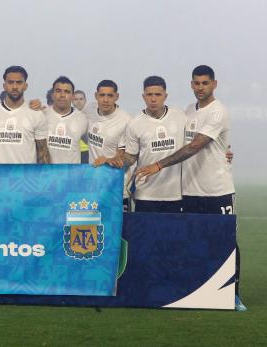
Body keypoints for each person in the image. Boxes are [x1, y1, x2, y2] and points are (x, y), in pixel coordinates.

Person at [135, 65, 245, 311]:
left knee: (226, 241)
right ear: (191, 84)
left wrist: (159, 165)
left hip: (217, 190)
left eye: (205, 83)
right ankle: (200, 290)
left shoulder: (218, 112)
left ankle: (234, 294)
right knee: (194, 243)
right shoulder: (187, 112)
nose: (200, 87)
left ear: (214, 84)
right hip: (188, 191)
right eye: (196, 83)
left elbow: (195, 146)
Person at [98, 76, 185, 213]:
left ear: (165, 96)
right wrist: (112, 160)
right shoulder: (135, 123)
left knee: (173, 235)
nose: (153, 99)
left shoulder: (180, 117)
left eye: (158, 94)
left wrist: (224, 152)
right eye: (149, 95)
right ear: (143, 97)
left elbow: (193, 145)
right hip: (145, 194)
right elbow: (131, 157)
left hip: (175, 195)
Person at [0, 66, 49, 164]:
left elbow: (42, 151)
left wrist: (44, 178)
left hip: (26, 177)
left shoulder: (36, 114)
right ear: (4, 86)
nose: (15, 87)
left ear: (25, 86)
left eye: (19, 82)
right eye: (10, 82)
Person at [87, 80, 133, 211]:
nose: (105, 100)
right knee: (97, 229)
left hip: (116, 187)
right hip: (94, 185)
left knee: (120, 229)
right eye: (102, 95)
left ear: (116, 97)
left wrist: (107, 160)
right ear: (96, 96)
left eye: (110, 96)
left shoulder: (126, 121)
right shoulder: (89, 110)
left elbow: (123, 157)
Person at [44, 76, 88, 164]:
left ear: (72, 97)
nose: (62, 95)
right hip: (46, 174)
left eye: (67, 92)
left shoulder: (82, 119)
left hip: (72, 175)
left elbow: (95, 146)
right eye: (58, 91)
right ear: (53, 95)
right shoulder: (42, 115)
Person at [73, 90, 90, 163]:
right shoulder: (68, 115)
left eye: (81, 99)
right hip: (73, 151)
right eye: (76, 99)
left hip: (87, 151)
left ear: (85, 100)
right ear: (72, 101)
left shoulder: (92, 115)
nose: (78, 101)